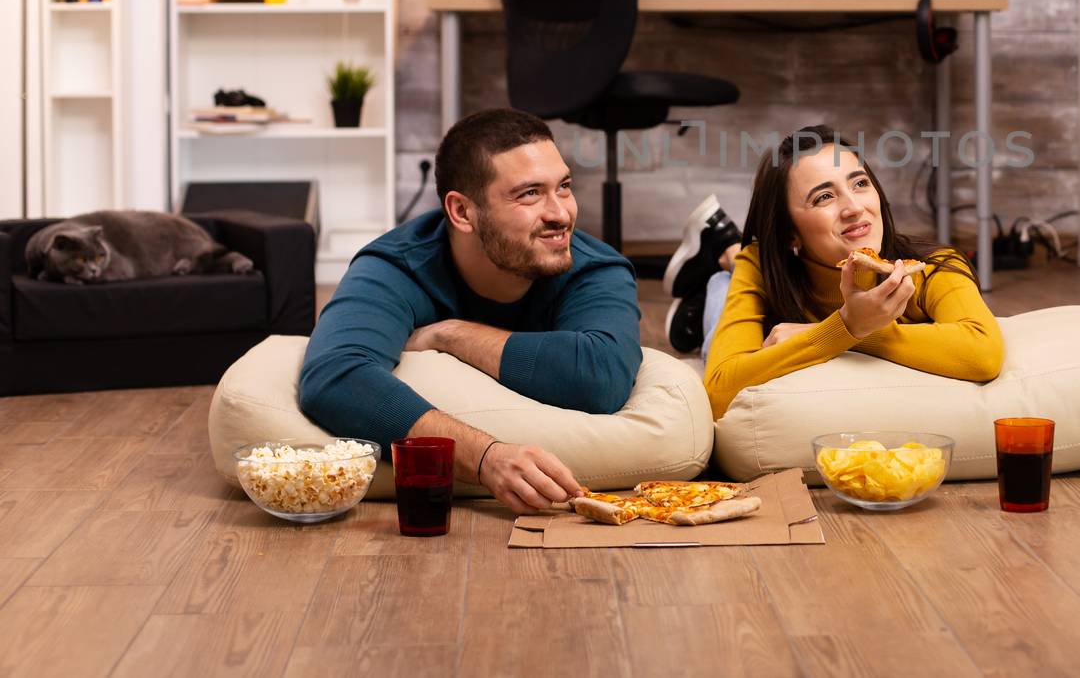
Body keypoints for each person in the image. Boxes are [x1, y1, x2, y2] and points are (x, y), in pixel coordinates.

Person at [298, 108, 643, 514]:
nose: (561, 214)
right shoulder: (398, 265)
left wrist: (451, 335)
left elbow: (599, 377)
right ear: (462, 212)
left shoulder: (595, 267)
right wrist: (485, 458)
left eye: (564, 186)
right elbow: (334, 376)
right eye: (530, 193)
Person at [664, 125, 1006, 419]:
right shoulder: (761, 265)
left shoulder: (934, 266)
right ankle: (724, 262)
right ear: (790, 233)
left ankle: (723, 249)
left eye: (860, 184)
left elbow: (984, 353)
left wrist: (847, 331)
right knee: (718, 315)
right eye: (824, 197)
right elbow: (722, 392)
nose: (855, 208)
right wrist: (848, 326)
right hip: (756, 270)